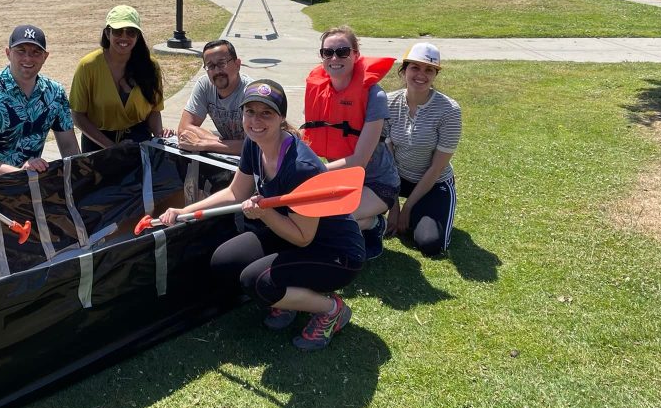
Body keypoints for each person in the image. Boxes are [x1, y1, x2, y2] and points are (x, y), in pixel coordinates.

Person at [160, 79, 364, 352]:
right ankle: (288, 300)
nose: (256, 120)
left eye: (266, 113)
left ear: (281, 118)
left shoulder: (301, 167)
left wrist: (266, 215)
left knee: (256, 281)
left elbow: (304, 238)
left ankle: (331, 309)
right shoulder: (253, 144)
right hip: (291, 233)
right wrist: (185, 211)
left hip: (334, 252)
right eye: (250, 112)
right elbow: (235, 192)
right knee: (225, 262)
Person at [302, 26, 400, 260]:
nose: (335, 58)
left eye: (343, 52)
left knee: (327, 220)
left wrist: (313, 173)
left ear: (356, 55)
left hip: (377, 183)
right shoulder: (318, 91)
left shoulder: (374, 95)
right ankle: (367, 223)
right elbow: (306, 139)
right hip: (341, 180)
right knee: (306, 213)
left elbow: (359, 160)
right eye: (328, 53)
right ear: (322, 57)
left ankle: (375, 224)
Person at [0, 24, 79, 174]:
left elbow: (69, 147)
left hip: (33, 184)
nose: (28, 58)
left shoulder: (55, 93)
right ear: (8, 53)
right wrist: (19, 174)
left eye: (36, 52)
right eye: (21, 51)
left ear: (45, 57)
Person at [384, 42, 462, 257]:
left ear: (435, 74)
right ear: (404, 70)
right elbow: (387, 159)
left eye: (429, 69)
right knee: (362, 219)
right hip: (397, 179)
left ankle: (419, 210)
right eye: (415, 68)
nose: (421, 74)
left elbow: (437, 168)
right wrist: (393, 207)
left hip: (433, 182)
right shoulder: (388, 102)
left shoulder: (450, 110)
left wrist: (407, 208)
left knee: (429, 244)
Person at [70, 5, 167, 153]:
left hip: (139, 144)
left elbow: (154, 110)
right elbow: (78, 116)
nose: (124, 37)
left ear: (138, 36)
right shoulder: (88, 66)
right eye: (117, 31)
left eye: (131, 32)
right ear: (107, 34)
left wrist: (160, 136)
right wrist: (111, 147)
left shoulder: (150, 66)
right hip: (98, 146)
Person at [177, 39, 253, 154]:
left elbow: (254, 146)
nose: (217, 71)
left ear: (237, 65)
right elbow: (184, 129)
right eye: (210, 66)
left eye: (222, 63)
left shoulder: (251, 92)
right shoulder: (204, 85)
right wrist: (218, 141)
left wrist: (201, 144)